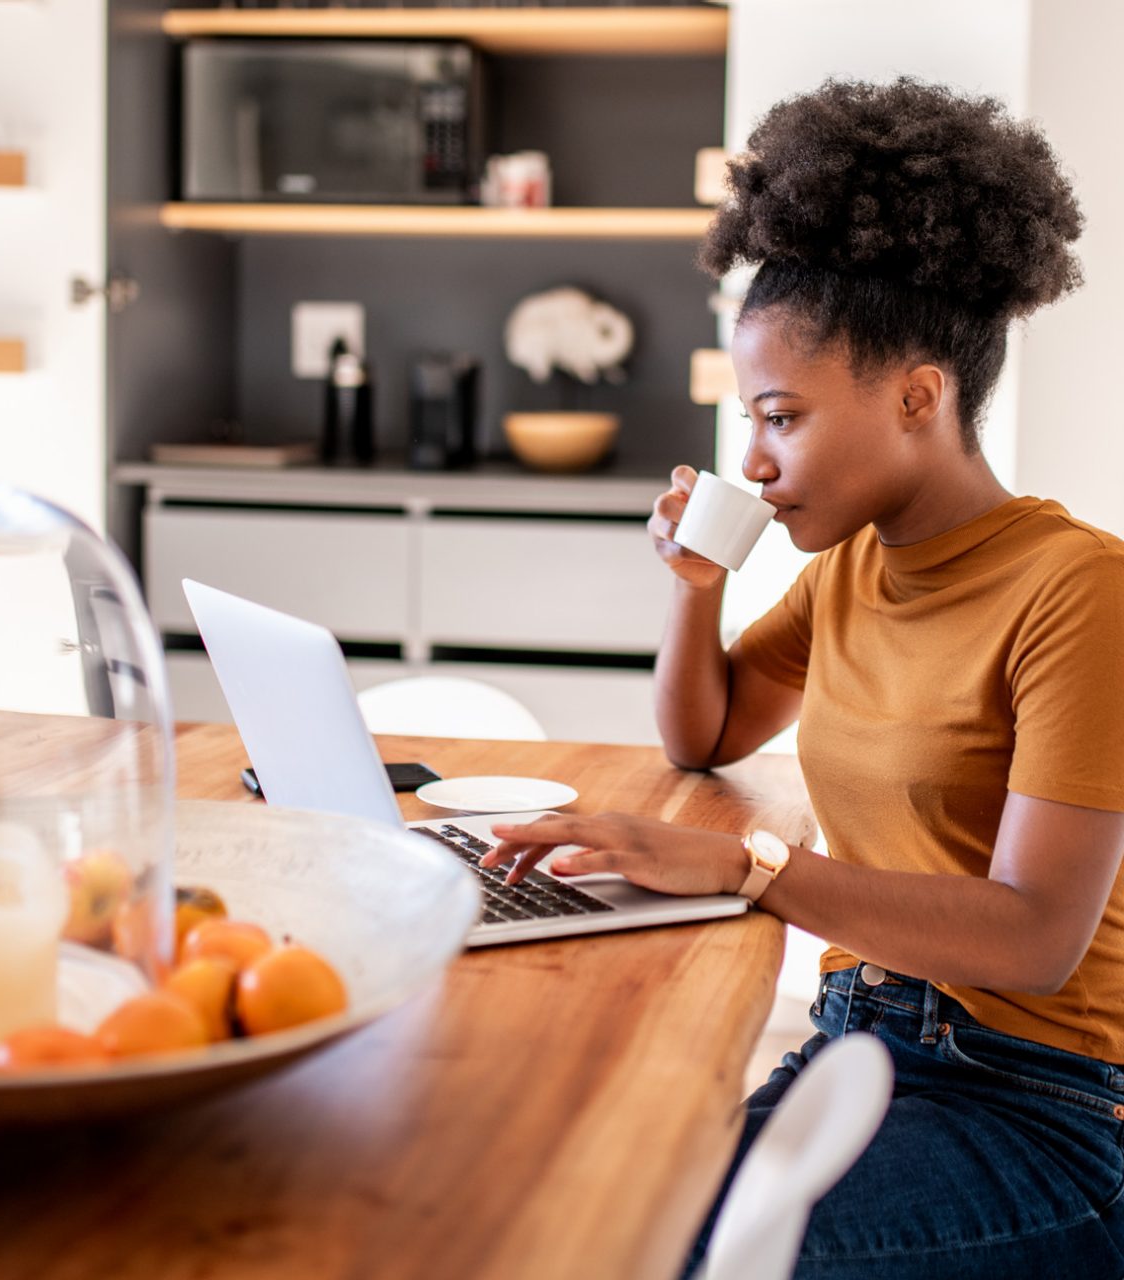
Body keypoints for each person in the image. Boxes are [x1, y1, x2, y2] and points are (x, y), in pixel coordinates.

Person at [480, 77, 1124, 1278]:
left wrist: (746, 866)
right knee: (564, 1192)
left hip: (1035, 1109)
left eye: (779, 417)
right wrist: (694, 580)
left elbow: (1037, 937)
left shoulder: (1078, 589)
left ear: (916, 396)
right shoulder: (850, 571)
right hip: (855, 1039)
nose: (754, 461)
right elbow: (705, 734)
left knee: (641, 1246)